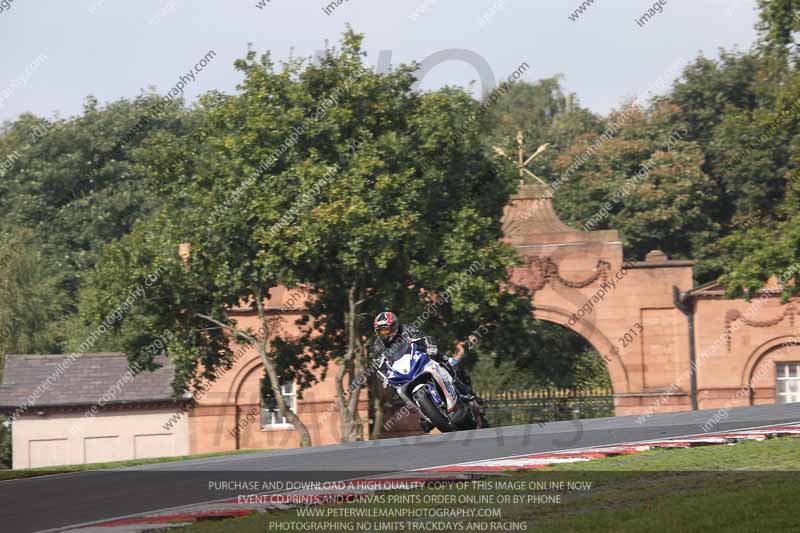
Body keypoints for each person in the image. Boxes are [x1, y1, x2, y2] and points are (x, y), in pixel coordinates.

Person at [372, 311, 480, 433]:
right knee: (396, 390)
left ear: (394, 326)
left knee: (444, 360)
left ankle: (464, 390)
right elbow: (378, 365)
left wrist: (430, 345)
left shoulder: (406, 329)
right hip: (402, 370)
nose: (384, 334)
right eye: (380, 331)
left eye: (386, 330)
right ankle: (425, 415)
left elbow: (423, 337)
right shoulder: (378, 345)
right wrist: (383, 377)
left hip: (419, 356)